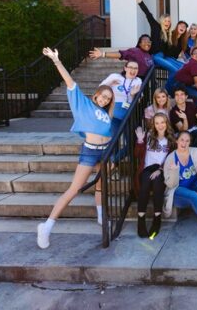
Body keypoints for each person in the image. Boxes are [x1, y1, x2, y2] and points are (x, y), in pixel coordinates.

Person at [37, 48, 114, 249]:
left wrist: (116, 82)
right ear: (96, 95)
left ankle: (100, 215)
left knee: (102, 183)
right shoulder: (83, 104)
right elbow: (70, 82)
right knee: (74, 189)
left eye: (108, 98)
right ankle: (46, 226)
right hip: (90, 150)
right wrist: (56, 60)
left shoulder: (106, 114)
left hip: (105, 151)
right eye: (103, 96)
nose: (105, 100)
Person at [134, 113, 176, 238]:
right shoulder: (148, 136)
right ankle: (141, 219)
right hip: (147, 168)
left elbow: (172, 158)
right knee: (145, 183)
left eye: (162, 122)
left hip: (161, 168)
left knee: (158, 183)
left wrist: (161, 169)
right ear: (153, 124)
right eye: (157, 123)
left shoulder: (171, 139)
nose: (160, 125)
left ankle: (157, 219)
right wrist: (140, 141)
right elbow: (137, 154)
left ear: (166, 123)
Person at [131, 0, 184, 73]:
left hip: (165, 57)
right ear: (162, 21)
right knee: (176, 70)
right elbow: (147, 13)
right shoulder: (156, 26)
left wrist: (179, 37)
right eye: (165, 21)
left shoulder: (169, 34)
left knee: (183, 67)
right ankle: (169, 86)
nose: (167, 23)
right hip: (155, 56)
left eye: (169, 21)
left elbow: (171, 51)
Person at [99, 61, 142, 137]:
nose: (133, 70)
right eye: (130, 67)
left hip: (129, 112)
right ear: (125, 68)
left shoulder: (138, 81)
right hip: (114, 111)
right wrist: (110, 84)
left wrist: (132, 95)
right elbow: (100, 89)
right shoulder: (115, 76)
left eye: (136, 68)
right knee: (111, 138)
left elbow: (138, 100)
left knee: (130, 140)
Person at [89, 34, 154, 79]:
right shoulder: (135, 51)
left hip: (144, 82)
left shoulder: (149, 55)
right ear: (140, 44)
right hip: (133, 80)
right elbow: (121, 54)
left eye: (149, 42)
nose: (147, 44)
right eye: (145, 41)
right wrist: (103, 54)